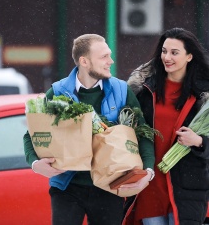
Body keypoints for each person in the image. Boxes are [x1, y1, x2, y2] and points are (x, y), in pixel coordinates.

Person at [23, 33, 155, 225]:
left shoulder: (121, 91)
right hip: (67, 186)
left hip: (110, 185)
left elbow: (143, 133)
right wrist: (36, 164)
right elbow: (31, 135)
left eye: (109, 55)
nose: (111, 60)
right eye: (103, 57)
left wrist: (148, 173)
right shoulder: (58, 92)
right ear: (84, 61)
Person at [125, 28, 209, 225]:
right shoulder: (144, 90)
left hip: (187, 187)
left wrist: (198, 141)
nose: (167, 57)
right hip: (150, 184)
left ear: (189, 56)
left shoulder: (204, 95)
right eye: (164, 51)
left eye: (174, 52)